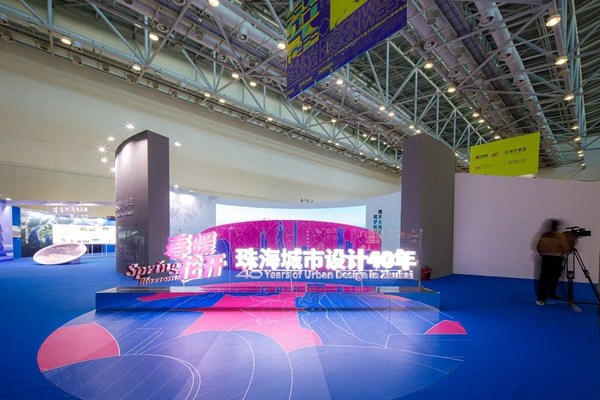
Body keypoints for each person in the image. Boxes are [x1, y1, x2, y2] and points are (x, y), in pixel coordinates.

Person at [535, 219, 570, 306]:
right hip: (557, 259)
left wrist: (543, 254)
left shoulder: (545, 235)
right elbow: (565, 247)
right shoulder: (560, 236)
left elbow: (538, 247)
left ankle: (541, 298)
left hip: (546, 258)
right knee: (554, 277)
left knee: (544, 278)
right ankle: (552, 293)